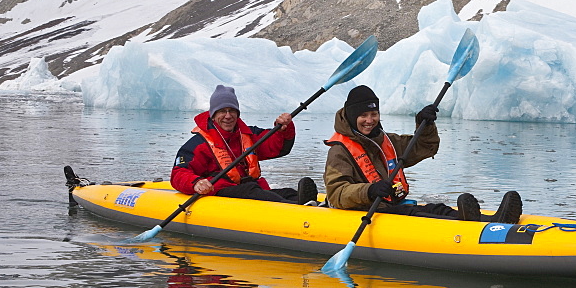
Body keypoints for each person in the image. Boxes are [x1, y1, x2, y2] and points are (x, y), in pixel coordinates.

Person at [323, 85, 521, 222]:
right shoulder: (339, 151)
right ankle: (477, 225)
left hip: (391, 207)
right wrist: (369, 190)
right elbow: (336, 193)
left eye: (374, 114)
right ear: (351, 116)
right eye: (363, 115)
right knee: (424, 215)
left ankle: (493, 220)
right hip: (366, 210)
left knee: (436, 209)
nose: (369, 120)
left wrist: (425, 125)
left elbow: (425, 147)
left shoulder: (387, 141)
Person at [171, 84, 318, 204]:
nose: (228, 116)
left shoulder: (248, 135)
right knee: (252, 191)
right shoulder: (199, 144)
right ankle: (297, 209)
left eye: (232, 111)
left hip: (251, 189)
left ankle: (308, 203)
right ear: (213, 115)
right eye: (222, 111)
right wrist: (196, 182)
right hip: (221, 193)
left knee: (287, 193)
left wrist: (284, 129)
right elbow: (178, 173)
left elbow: (276, 147)